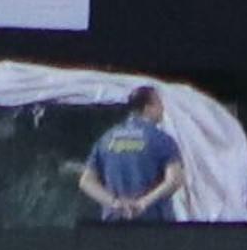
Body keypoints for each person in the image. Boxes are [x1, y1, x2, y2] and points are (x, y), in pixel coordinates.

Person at [78, 85, 187, 224]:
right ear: (148, 108)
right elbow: (175, 180)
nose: (162, 109)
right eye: (159, 103)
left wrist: (115, 203)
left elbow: (86, 182)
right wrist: (143, 203)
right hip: (155, 224)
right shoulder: (162, 140)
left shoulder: (106, 138)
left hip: (113, 224)